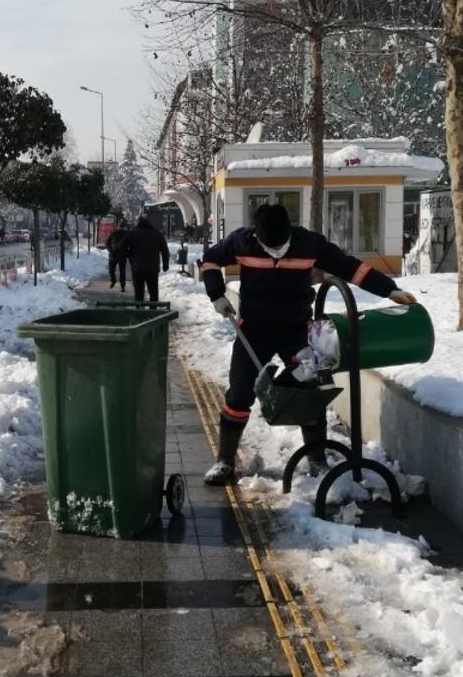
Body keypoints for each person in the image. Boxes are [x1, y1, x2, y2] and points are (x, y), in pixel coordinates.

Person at [200, 203, 417, 487]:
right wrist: (216, 294)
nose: (276, 252)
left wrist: (390, 290)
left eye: (281, 246)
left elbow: (352, 268)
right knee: (240, 391)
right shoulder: (241, 242)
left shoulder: (310, 244)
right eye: (269, 248)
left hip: (296, 330)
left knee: (310, 388)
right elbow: (210, 260)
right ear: (257, 237)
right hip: (253, 330)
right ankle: (225, 461)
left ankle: (317, 460)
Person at [121, 213, 169, 303]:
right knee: (153, 293)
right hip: (153, 268)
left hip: (137, 267)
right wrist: (165, 265)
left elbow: (122, 248)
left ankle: (139, 311)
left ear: (138, 221)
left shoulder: (132, 233)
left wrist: (130, 256)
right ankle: (153, 310)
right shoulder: (157, 234)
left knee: (139, 293)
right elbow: (165, 250)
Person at [106, 220, 129, 291]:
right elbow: (107, 243)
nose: (121, 228)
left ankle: (122, 286)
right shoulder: (113, 233)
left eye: (122, 227)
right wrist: (110, 250)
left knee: (122, 272)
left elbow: (130, 245)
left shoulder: (126, 234)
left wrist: (127, 252)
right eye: (120, 226)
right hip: (113, 255)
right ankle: (113, 280)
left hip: (122, 256)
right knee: (111, 270)